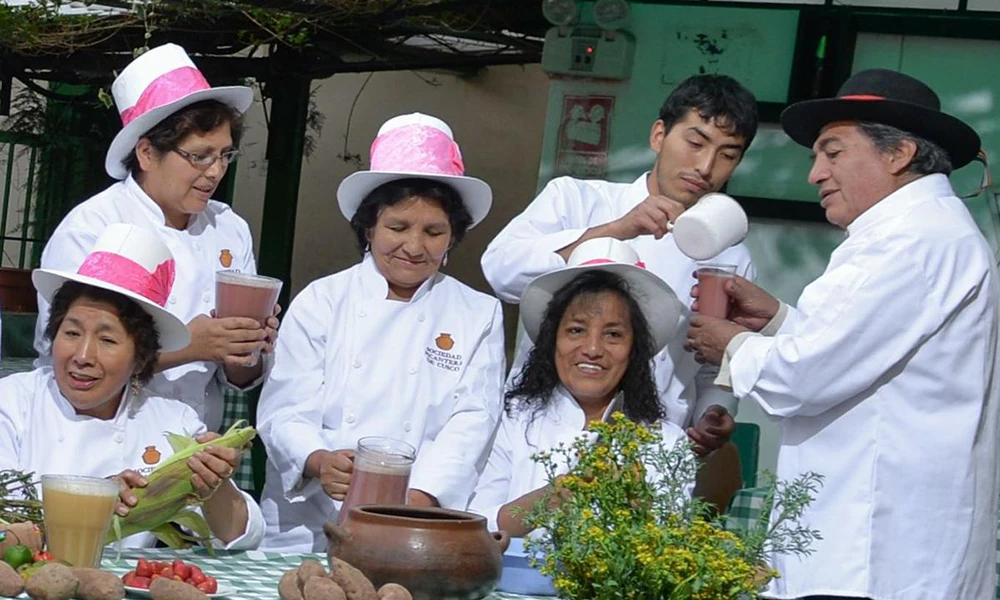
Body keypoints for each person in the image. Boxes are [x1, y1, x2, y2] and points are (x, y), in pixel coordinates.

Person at [685, 69, 999, 600]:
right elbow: (865, 356)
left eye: (832, 152)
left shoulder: (910, 240)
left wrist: (729, 344)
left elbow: (800, 378)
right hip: (883, 536)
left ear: (898, 154)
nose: (815, 174)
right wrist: (781, 320)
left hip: (874, 547)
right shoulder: (921, 231)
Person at [257, 113, 505, 552]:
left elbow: (472, 422)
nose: (414, 246)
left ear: (453, 238)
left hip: (416, 526)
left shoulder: (477, 313)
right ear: (369, 228)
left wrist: (412, 502)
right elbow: (286, 409)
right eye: (397, 227)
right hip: (305, 528)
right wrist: (318, 460)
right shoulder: (323, 300)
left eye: (434, 232)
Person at [481, 74, 759, 455]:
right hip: (540, 435)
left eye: (728, 155)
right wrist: (616, 229)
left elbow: (713, 364)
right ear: (659, 135)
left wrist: (716, 410)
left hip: (651, 447)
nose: (706, 167)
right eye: (695, 143)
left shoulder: (729, 257)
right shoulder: (576, 200)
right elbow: (502, 272)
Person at [33, 43, 278, 432]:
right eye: (199, 156)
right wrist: (191, 346)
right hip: (97, 430)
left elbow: (239, 377)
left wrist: (246, 349)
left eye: (225, 156)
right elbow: (64, 354)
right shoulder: (92, 226)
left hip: (193, 437)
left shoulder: (230, 229)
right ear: (146, 153)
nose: (215, 172)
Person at [0, 224, 265, 549]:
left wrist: (215, 487)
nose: (83, 356)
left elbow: (243, 536)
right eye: (71, 333)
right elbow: (7, 517)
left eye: (107, 339)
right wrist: (92, 502)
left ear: (141, 359)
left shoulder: (171, 421)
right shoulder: (11, 402)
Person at [469, 238, 688, 535]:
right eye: (576, 330)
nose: (593, 349)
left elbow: (668, 548)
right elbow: (476, 526)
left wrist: (636, 498)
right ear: (552, 340)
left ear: (634, 349)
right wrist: (562, 491)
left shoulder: (668, 442)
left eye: (613, 334)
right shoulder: (509, 419)